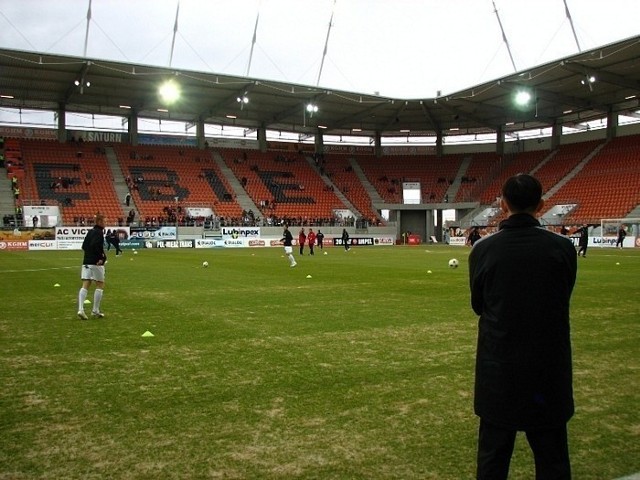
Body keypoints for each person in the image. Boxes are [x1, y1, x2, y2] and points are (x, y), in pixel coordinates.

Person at [469, 174, 577, 480]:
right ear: (541, 205)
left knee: (493, 459)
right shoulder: (563, 248)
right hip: (548, 371)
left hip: (499, 371)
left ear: (503, 205)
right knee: (552, 458)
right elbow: (563, 297)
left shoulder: (484, 249)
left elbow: (479, 305)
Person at [77, 213, 108, 319]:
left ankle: (81, 309)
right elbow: (95, 245)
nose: (106, 223)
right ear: (99, 222)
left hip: (86, 261)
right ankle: (95, 310)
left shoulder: (90, 232)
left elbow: (84, 246)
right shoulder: (99, 232)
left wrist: (89, 256)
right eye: (104, 221)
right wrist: (100, 257)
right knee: (100, 284)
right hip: (96, 263)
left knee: (86, 283)